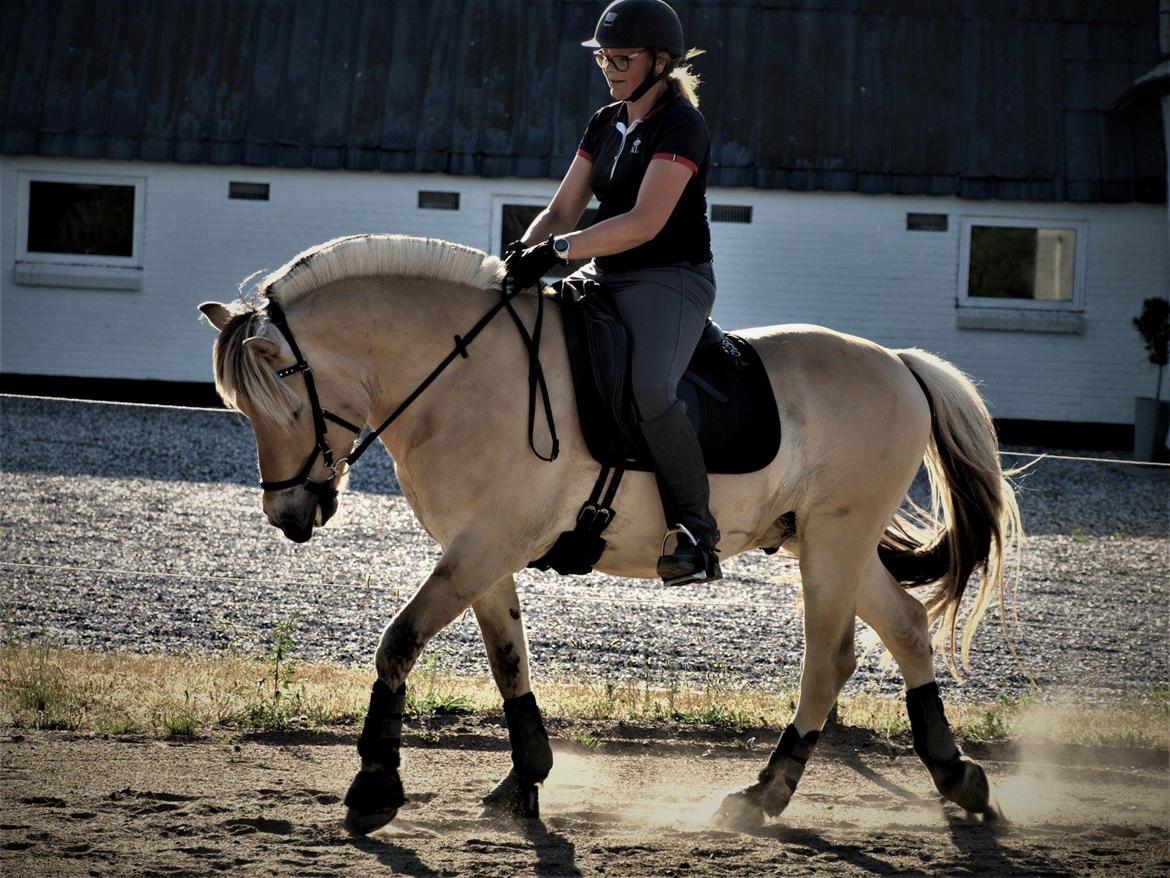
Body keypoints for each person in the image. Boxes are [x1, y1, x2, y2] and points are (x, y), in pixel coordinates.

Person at [505, 0, 720, 586]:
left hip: (669, 278)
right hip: (604, 272)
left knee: (650, 387)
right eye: (604, 57)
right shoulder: (605, 122)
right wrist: (516, 259)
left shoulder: (682, 126)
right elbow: (561, 210)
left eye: (622, 58)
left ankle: (697, 531)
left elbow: (646, 222)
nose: (610, 67)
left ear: (660, 61)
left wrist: (561, 252)